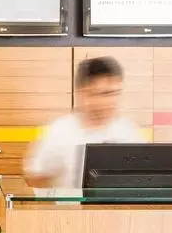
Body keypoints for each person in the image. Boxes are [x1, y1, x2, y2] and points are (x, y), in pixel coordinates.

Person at [23, 56, 146, 189]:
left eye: (116, 93)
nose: (112, 101)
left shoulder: (128, 131)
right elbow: (34, 178)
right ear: (84, 93)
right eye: (105, 93)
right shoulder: (60, 131)